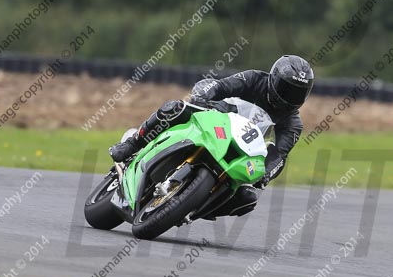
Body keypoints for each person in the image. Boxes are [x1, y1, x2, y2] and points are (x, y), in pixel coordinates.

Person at [109, 54, 314, 218]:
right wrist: (202, 97)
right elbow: (220, 86)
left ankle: (199, 205)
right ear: (273, 78)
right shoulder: (254, 79)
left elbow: (278, 156)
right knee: (175, 108)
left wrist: (265, 174)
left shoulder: (292, 125)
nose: (289, 97)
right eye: (286, 88)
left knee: (248, 197)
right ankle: (133, 144)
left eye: (297, 93)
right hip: (217, 119)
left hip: (241, 150)